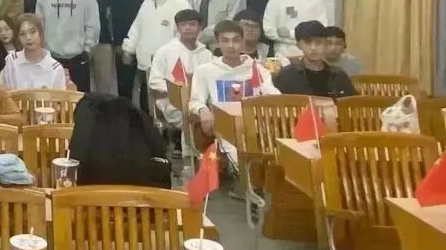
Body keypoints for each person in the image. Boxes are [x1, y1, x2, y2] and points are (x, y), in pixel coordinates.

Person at [189, 20, 279, 154]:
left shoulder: (257, 68)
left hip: (254, 127)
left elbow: (273, 96)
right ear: (218, 42)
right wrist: (203, 110)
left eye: (236, 40)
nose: (231, 46)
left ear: (243, 41)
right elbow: (195, 101)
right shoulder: (205, 70)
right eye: (225, 41)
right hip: (222, 128)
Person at [122, 0, 191, 112]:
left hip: (168, 70)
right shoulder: (147, 2)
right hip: (145, 66)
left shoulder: (180, 3)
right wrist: (128, 49)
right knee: (146, 109)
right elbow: (136, 28)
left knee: (167, 111)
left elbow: (186, 38)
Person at [35, 0, 99, 92]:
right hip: (51, 56)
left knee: (80, 97)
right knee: (53, 96)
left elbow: (92, 22)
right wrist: (43, 48)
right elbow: (39, 24)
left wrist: (88, 48)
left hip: (78, 56)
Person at [148, 9, 212, 135]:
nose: (187, 28)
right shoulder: (165, 51)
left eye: (192, 24)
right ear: (177, 28)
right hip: (174, 105)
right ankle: (191, 147)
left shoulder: (206, 54)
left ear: (200, 27)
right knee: (194, 119)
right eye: (183, 25)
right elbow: (154, 82)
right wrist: (179, 90)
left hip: (203, 103)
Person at [275, 21, 357, 98]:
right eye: (308, 42)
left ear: (325, 45)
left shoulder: (338, 75)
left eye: (318, 42)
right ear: (299, 46)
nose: (313, 48)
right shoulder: (287, 75)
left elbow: (353, 103)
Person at [76, 0, 117, 94]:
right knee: (79, 84)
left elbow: (111, 13)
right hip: (78, 41)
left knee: (105, 85)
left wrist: (113, 40)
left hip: (103, 41)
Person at [112, 0, 151, 101]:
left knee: (147, 88)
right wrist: (118, 45)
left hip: (147, 45)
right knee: (124, 87)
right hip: (124, 44)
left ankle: (145, 115)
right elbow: (114, 20)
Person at [0, 14, 67, 90]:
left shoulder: (55, 68)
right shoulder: (11, 61)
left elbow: (60, 97)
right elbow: (1, 91)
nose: (28, 37)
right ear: (18, 37)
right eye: (22, 34)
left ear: (40, 33)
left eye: (32, 32)